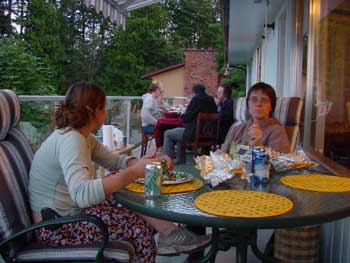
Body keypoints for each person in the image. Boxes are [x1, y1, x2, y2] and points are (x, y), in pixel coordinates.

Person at [28, 82, 211, 263]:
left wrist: (142, 163)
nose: (107, 111)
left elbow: (115, 160)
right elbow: (82, 194)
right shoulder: (72, 140)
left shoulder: (81, 136)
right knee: (137, 226)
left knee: (124, 183)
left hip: (69, 214)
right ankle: (169, 234)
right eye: (104, 106)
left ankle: (170, 233)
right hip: (58, 227)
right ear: (92, 111)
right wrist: (133, 173)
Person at [221, 82, 290, 153]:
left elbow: (282, 162)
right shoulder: (237, 129)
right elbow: (222, 154)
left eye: (264, 100)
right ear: (248, 104)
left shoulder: (277, 132)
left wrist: (258, 147)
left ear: (271, 106)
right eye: (254, 99)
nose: (258, 104)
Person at [163, 84, 217, 161]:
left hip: (193, 135)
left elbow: (187, 118)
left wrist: (181, 115)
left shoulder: (196, 99)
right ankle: (179, 159)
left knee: (167, 133)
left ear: (194, 93)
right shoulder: (211, 100)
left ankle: (167, 161)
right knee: (178, 133)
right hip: (209, 135)